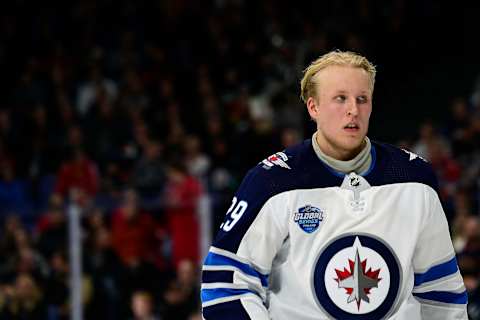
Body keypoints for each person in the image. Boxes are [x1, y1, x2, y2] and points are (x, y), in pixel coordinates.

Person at [201, 50, 468, 319]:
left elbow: (441, 291)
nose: (353, 109)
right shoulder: (271, 181)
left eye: (362, 99)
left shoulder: (415, 178)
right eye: (341, 98)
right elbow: (225, 284)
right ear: (313, 107)